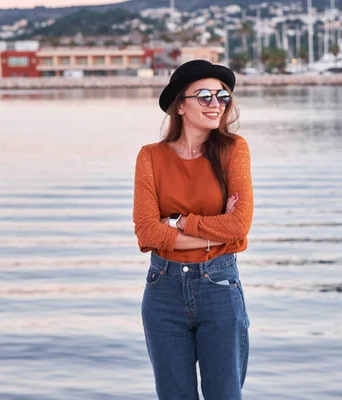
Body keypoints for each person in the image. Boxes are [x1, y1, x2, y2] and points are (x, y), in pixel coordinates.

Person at [132, 59, 254, 400]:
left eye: (222, 97)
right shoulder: (150, 157)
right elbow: (147, 234)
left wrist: (180, 221)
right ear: (180, 105)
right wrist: (218, 233)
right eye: (204, 96)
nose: (215, 104)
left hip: (218, 286)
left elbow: (239, 224)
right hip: (163, 291)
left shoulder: (234, 150)